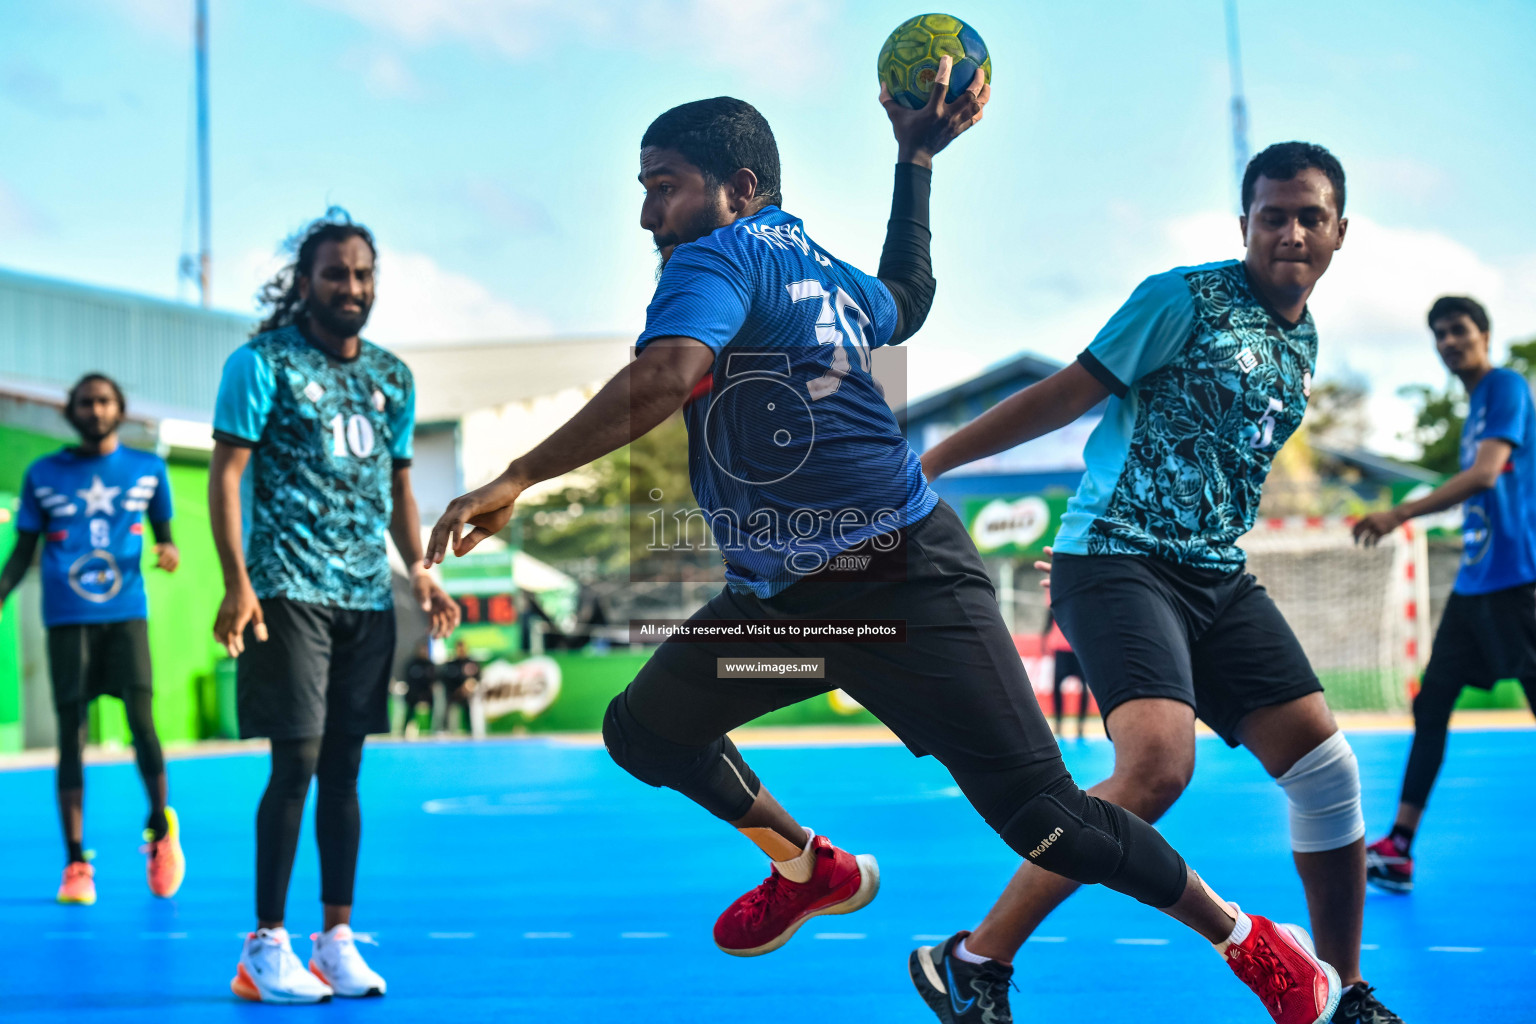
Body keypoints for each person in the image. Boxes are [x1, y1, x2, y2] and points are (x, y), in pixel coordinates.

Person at [428, 71, 1341, 1024]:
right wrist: (913, 162)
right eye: (645, 188)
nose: (650, 213)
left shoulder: (715, 258)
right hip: (783, 606)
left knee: (1045, 817)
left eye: (665, 184)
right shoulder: (809, 265)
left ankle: (1248, 939)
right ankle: (809, 865)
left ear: (739, 189)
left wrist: (515, 476)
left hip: (903, 588)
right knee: (644, 730)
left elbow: (665, 373)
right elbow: (907, 293)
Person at [921, 142, 1401, 1024]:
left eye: (1310, 217)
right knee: (1153, 770)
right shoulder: (1181, 298)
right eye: (1272, 216)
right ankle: (974, 959)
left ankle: (1338, 993)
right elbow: (1066, 394)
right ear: (1245, 224)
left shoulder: (1305, 337)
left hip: (1214, 574)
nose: (1290, 231)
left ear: (1340, 232)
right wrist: (937, 459)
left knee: (1329, 774)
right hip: (1118, 559)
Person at [210, 209, 459, 1004]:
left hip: (365, 597)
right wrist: (237, 580)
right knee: (297, 764)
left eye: (362, 274)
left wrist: (419, 570)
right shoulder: (261, 364)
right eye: (335, 274)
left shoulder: (392, 377)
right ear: (305, 282)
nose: (351, 287)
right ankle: (265, 946)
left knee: (346, 771)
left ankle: (337, 940)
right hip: (287, 589)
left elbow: (397, 486)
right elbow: (225, 475)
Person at [1354, 295, 1536, 894]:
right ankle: (1400, 847)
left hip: (1518, 582)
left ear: (1484, 334)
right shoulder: (1475, 408)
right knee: (1431, 704)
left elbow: (1485, 476)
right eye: (1439, 335)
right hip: (1475, 583)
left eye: (1459, 330)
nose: (1450, 342)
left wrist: (1400, 512)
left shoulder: (1506, 387)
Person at [0, 374, 185, 906]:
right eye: (86, 402)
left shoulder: (149, 469)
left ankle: (159, 833)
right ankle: (76, 862)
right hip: (66, 618)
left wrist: (169, 551)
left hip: (126, 615)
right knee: (70, 736)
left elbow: (165, 536)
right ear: (71, 412)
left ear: (120, 410)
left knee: (142, 723)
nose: (96, 409)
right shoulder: (43, 474)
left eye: (104, 401)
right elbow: (22, 551)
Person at [1042, 604, 1088, 739]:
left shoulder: (1080, 602)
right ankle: (1058, 722)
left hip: (1078, 648)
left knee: (1084, 687)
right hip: (1061, 649)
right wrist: (1044, 643)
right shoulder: (1055, 602)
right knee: (1057, 686)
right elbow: (1048, 622)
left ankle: (1081, 724)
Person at [399, 641, 436, 738]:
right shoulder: (411, 664)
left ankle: (431, 731)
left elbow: (434, 680)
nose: (423, 651)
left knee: (433, 711)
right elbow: (408, 679)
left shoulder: (430, 665)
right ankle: (404, 731)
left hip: (427, 694)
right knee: (409, 713)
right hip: (413, 693)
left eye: (425, 650)